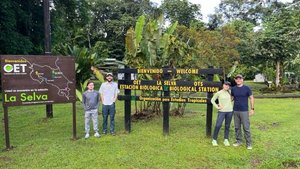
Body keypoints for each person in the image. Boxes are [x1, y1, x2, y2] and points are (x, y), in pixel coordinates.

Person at [231, 74, 255, 150]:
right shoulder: (233, 89)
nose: (238, 80)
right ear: (235, 80)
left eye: (240, 79)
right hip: (235, 110)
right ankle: (239, 141)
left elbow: (251, 98)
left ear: (242, 80)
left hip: (244, 111)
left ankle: (249, 143)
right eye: (236, 79)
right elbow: (231, 98)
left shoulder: (247, 88)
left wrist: (252, 108)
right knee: (237, 127)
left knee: (246, 127)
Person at [211, 81, 233, 146]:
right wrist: (217, 107)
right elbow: (212, 100)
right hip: (222, 112)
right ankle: (214, 140)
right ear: (223, 85)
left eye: (228, 85)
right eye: (226, 85)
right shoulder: (219, 93)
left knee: (227, 126)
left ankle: (226, 139)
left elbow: (233, 98)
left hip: (230, 111)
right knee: (218, 125)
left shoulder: (230, 92)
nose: (227, 86)